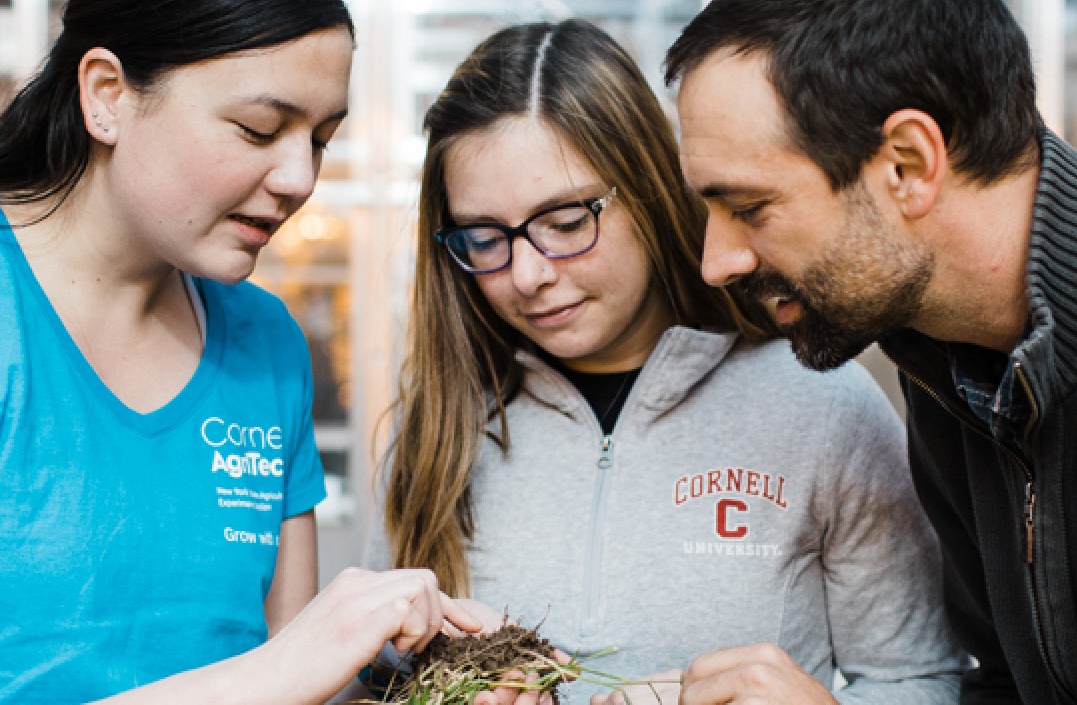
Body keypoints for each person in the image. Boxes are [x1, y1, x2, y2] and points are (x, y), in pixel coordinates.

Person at [0, 1, 537, 703]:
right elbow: (273, 677)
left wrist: (430, 678)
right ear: (107, 96)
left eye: (318, 139)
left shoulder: (266, 342)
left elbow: (289, 684)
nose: (300, 180)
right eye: (258, 129)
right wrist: (277, 670)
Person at [371, 18, 967, 705]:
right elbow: (378, 677)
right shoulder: (440, 429)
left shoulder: (824, 407)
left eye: (566, 222)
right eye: (482, 237)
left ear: (651, 189)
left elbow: (919, 680)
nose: (528, 274)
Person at [665, 0, 1077, 703]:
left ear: (909, 163)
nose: (716, 262)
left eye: (749, 207)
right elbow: (1004, 686)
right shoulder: (947, 361)